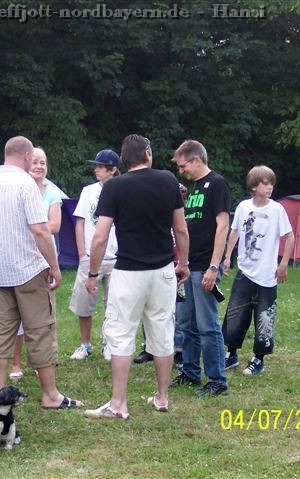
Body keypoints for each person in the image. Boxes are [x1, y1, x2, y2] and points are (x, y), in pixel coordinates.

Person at [83, 134, 189, 420]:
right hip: (163, 271)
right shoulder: (168, 180)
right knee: (162, 331)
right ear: (148, 154)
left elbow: (100, 237)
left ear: (123, 160)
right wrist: (184, 263)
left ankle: (119, 404)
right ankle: (162, 398)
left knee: (120, 334)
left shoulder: (114, 187)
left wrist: (93, 273)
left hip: (128, 272)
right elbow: (180, 229)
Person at [0, 135, 83, 411]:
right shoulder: (26, 184)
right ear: (26, 156)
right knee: (40, 331)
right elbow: (40, 230)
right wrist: (54, 266)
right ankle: (50, 396)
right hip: (28, 270)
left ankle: (1, 394)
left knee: (1, 333)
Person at [170, 139, 231, 398]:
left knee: (207, 326)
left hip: (205, 266)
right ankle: (191, 372)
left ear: (196, 159)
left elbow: (223, 226)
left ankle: (217, 380)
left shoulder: (217, 184)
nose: (181, 170)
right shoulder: (194, 188)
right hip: (188, 266)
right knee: (186, 324)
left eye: (183, 165)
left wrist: (214, 266)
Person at [221, 165, 295, 375]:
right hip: (245, 271)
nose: (270, 187)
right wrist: (227, 257)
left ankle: (258, 359)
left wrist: (283, 264)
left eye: (272, 183)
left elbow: (290, 237)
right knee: (235, 313)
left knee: (264, 317)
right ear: (254, 186)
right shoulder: (243, 207)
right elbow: (234, 232)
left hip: (267, 275)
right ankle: (231, 354)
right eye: (265, 183)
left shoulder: (277, 210)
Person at [9, 146, 62, 379]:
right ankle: (15, 363)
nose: (39, 166)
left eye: (43, 162)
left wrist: (32, 226)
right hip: (20, 257)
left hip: (44, 259)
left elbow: (55, 225)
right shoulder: (18, 188)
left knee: (45, 315)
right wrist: (37, 226)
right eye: (35, 162)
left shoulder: (52, 193)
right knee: (16, 316)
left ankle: (45, 362)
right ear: (26, 163)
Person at [68, 149, 120, 361]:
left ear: (113, 169)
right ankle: (85, 345)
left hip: (116, 257)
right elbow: (80, 222)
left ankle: (109, 343)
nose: (96, 169)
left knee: (114, 306)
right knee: (84, 304)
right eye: (96, 165)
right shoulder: (88, 191)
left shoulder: (122, 189)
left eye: (100, 166)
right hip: (90, 257)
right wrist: (82, 253)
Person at [134, 183, 188, 367]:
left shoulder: (185, 219)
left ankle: (178, 349)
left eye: (183, 197)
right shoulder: (158, 215)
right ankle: (150, 347)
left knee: (177, 310)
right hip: (157, 266)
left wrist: (183, 263)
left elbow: (184, 239)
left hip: (177, 268)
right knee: (150, 307)